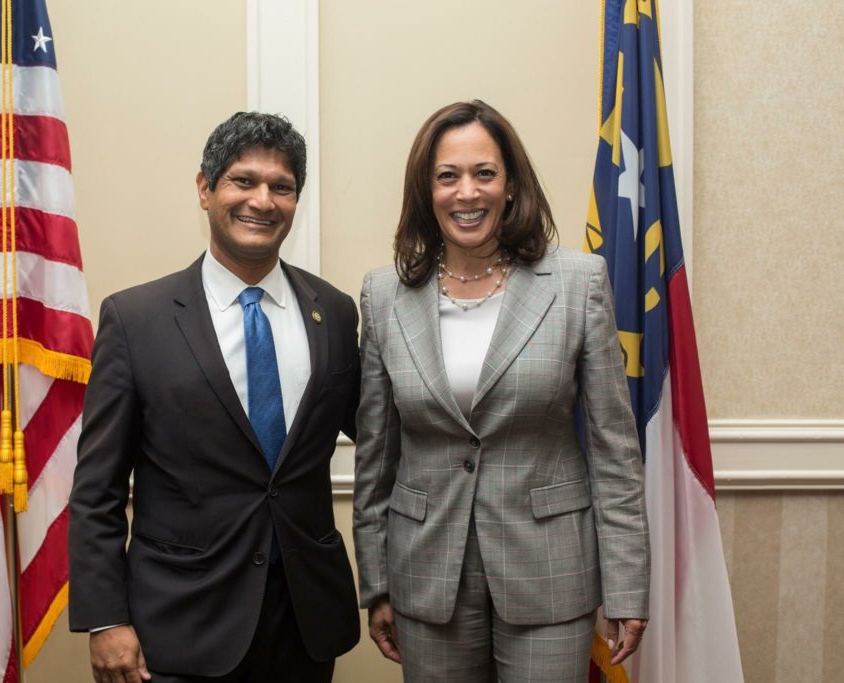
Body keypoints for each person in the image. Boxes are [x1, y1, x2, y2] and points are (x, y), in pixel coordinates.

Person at [352, 100, 650, 682]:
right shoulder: (383, 296)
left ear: (510, 185)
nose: (468, 193)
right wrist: (376, 581)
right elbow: (375, 457)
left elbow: (616, 450)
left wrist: (627, 585)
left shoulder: (577, 282)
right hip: (426, 572)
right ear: (426, 190)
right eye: (448, 176)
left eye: (484, 173)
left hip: (549, 569)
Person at [69, 112, 360, 683]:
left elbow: (384, 439)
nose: (263, 200)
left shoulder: (335, 312)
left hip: (304, 620)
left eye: (282, 187)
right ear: (205, 189)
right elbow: (97, 488)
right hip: (181, 621)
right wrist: (105, 619)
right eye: (243, 181)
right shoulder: (136, 320)